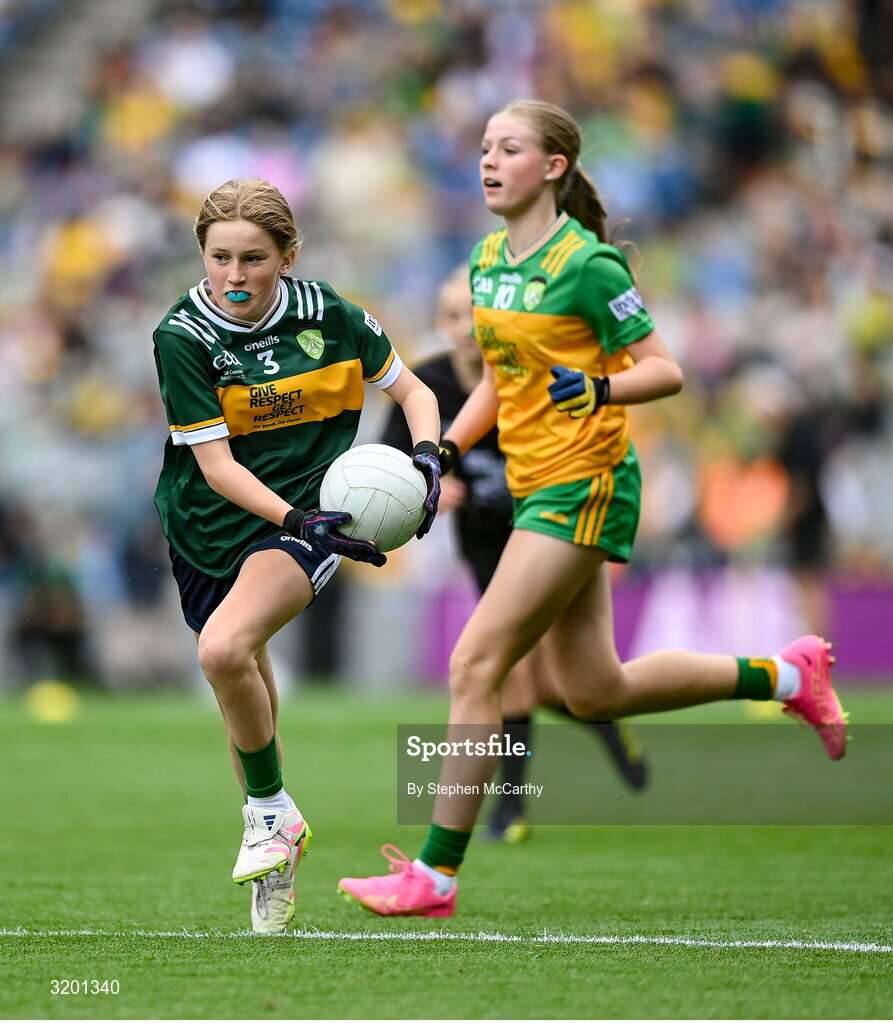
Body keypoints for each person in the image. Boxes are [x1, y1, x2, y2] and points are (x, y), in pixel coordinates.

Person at [337, 100, 849, 918]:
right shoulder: (486, 261)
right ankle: (787, 674)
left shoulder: (589, 265)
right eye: (483, 147)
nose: (487, 160)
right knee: (593, 692)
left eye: (508, 148)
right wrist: (441, 452)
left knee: (475, 664)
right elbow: (499, 381)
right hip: (536, 481)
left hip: (586, 481)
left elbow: (664, 368)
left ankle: (434, 876)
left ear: (553, 167)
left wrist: (600, 388)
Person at [151, 177, 442, 934]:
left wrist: (428, 459)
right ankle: (276, 847)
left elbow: (414, 393)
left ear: (288, 256)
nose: (234, 275)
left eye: (253, 258)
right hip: (204, 526)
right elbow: (217, 469)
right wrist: (292, 515)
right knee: (242, 683)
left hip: (308, 520)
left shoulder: (329, 315)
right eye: (219, 257)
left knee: (222, 650)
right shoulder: (182, 336)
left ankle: (270, 815)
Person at [380, 267, 648, 844]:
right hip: (482, 540)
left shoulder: (529, 377)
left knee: (528, 674)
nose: (466, 328)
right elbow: (390, 465)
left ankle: (518, 800)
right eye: (455, 316)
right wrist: (429, 485)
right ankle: (587, 739)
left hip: (550, 530)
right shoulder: (427, 386)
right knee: (539, 680)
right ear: (441, 322)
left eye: (476, 316)